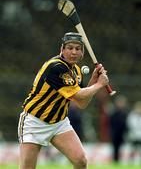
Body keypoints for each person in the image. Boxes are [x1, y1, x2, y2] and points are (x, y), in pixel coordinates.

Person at [18, 32, 109, 169]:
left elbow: (81, 103)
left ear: (82, 52)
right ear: (62, 49)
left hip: (59, 123)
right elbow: (78, 96)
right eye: (70, 48)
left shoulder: (76, 71)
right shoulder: (56, 67)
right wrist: (99, 85)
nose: (74, 52)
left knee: (81, 161)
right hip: (35, 121)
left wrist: (93, 82)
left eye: (78, 49)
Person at [109, 95, 128, 163]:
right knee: (115, 148)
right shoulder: (114, 113)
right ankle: (115, 161)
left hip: (122, 134)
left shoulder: (125, 113)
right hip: (115, 133)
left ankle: (120, 160)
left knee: (121, 148)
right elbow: (111, 123)